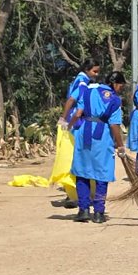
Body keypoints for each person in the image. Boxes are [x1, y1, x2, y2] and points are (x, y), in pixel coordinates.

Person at [69, 71, 126, 223]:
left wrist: (69, 126)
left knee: (82, 171)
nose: (121, 89)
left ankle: (83, 210)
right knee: (102, 174)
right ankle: (99, 213)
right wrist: (120, 145)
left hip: (84, 134)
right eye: (121, 85)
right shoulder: (114, 100)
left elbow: (78, 113)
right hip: (102, 137)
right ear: (114, 83)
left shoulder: (88, 91)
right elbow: (114, 125)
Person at [53, 60, 102, 209]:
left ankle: (75, 194)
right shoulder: (82, 82)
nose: (96, 74)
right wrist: (64, 118)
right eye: (94, 71)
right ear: (87, 69)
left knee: (75, 158)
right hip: (76, 123)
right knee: (76, 158)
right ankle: (74, 195)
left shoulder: (80, 80)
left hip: (75, 122)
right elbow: (71, 100)